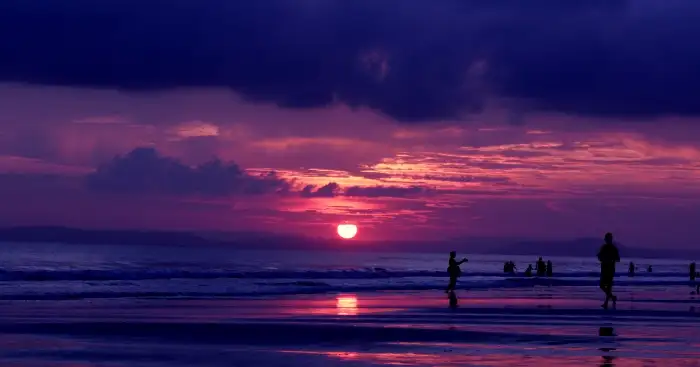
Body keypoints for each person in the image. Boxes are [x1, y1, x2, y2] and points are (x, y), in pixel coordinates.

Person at [598, 232, 620, 309]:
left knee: (608, 286)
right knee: (602, 285)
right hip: (604, 269)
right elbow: (600, 257)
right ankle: (612, 297)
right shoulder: (603, 248)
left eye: (608, 239)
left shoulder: (613, 249)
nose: (607, 240)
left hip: (610, 269)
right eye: (607, 239)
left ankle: (606, 303)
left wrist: (609, 260)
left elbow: (618, 259)